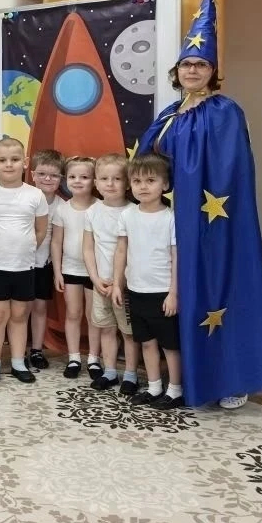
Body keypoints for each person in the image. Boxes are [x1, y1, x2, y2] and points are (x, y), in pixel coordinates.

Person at [139, 0, 262, 409]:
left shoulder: (225, 111)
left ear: (212, 71)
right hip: (171, 220)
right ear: (177, 71)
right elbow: (148, 162)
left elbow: (229, 170)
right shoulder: (168, 114)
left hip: (212, 221)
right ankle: (182, 377)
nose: (192, 71)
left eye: (201, 64)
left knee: (217, 287)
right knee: (174, 294)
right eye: (186, 64)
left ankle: (228, 378)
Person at [113, 154, 182, 409]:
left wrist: (174, 293)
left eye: (150, 180)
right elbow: (121, 250)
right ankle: (154, 387)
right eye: (137, 181)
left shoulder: (171, 218)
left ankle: (175, 390)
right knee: (146, 341)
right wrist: (118, 283)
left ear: (165, 185)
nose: (143, 186)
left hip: (162, 292)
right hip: (136, 290)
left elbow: (176, 257)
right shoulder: (127, 215)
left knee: (170, 345)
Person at [0, 138, 48, 384]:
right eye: (2, 160)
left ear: (25, 162)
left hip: (24, 266)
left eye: (15, 159)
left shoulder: (35, 195)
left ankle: (19, 362)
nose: (9, 164)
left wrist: (25, 249)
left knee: (20, 315)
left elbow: (41, 230)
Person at [83, 153, 140, 395]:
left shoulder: (134, 212)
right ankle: (109, 371)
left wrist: (120, 282)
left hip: (125, 285)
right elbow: (88, 248)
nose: (110, 183)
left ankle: (131, 375)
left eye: (117, 178)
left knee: (128, 332)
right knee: (106, 328)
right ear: (96, 183)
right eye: (104, 179)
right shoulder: (92, 212)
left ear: (127, 183)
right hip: (101, 284)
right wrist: (95, 279)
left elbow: (132, 251)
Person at [52, 156, 101, 380]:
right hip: (70, 269)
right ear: (65, 180)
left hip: (95, 272)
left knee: (94, 316)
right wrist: (57, 271)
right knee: (73, 313)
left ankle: (93, 358)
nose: (78, 181)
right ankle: (73, 357)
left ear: (94, 180)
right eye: (72, 176)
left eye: (84, 177)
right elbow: (56, 242)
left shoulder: (100, 207)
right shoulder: (62, 209)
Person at [27, 149, 64, 371]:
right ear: (32, 175)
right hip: (18, 263)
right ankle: (17, 349)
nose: (47, 179)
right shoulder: (24, 198)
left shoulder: (61, 206)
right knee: (18, 310)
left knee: (39, 307)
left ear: (61, 178)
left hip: (43, 264)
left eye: (54, 175)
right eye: (42, 174)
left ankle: (37, 350)